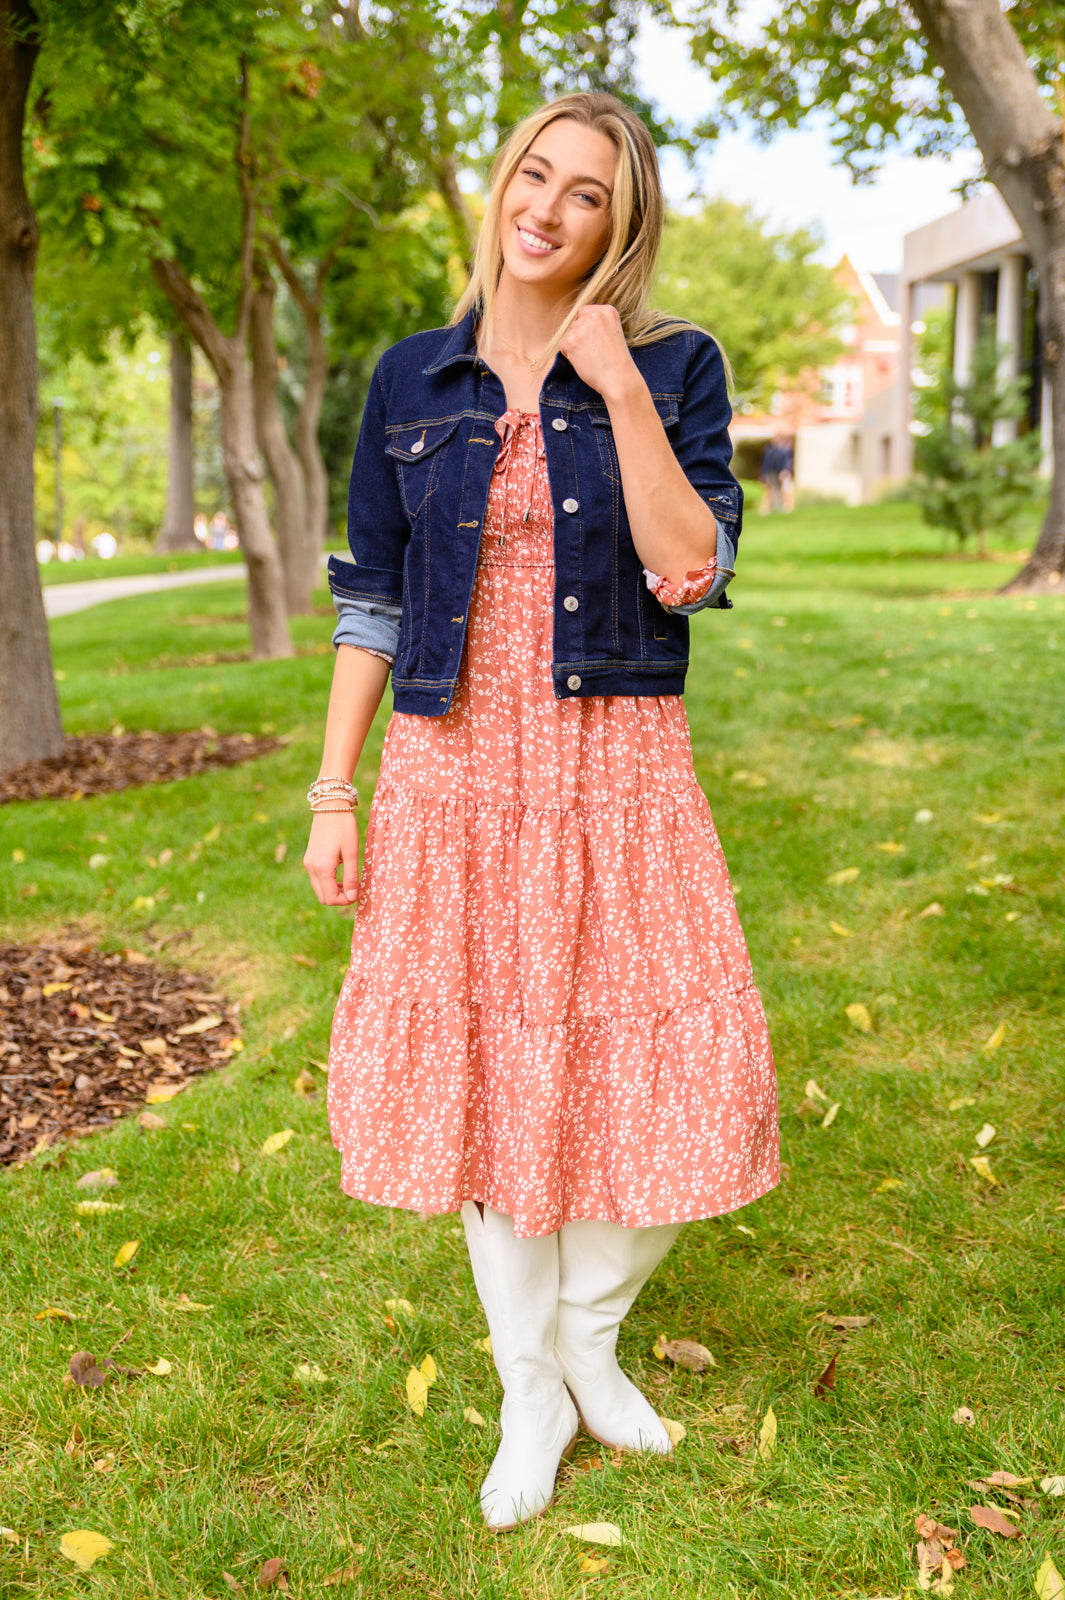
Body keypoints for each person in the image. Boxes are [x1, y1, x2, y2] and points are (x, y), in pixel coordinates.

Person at [303, 91, 778, 1533]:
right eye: (535, 173)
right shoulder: (412, 377)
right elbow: (372, 597)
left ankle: (587, 1332)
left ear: (618, 227)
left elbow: (691, 570)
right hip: (455, 769)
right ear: (502, 183)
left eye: (587, 195)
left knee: (690, 1052)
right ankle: (530, 1389)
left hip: (617, 761)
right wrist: (335, 788)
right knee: (489, 1071)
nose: (548, 209)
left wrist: (617, 385)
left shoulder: (676, 364)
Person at [758, 433, 794, 513]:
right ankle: (769, 508)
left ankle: (786, 507)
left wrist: (785, 471)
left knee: (784, 490)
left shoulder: (784, 451)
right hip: (771, 473)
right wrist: (763, 474)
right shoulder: (769, 451)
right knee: (769, 490)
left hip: (781, 473)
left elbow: (787, 462)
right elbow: (765, 464)